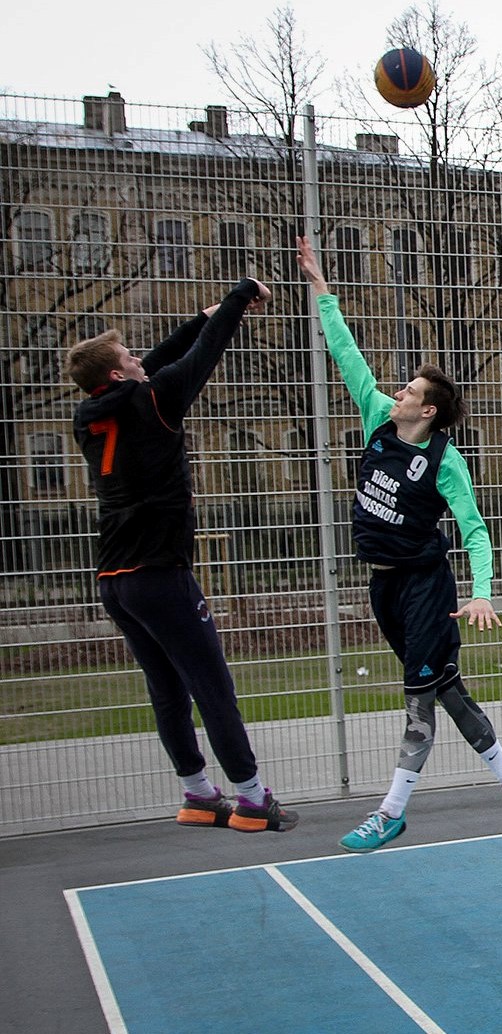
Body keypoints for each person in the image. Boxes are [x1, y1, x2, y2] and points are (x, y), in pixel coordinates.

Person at [297, 237, 502, 853]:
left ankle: (391, 811)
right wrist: (322, 289)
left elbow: (475, 528)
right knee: (445, 688)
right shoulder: (376, 417)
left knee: (417, 699)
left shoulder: (445, 461)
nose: (395, 390)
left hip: (426, 586)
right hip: (383, 583)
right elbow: (344, 351)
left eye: (408, 389)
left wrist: (482, 592)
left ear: (428, 410)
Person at [65, 279, 298, 834]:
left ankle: (197, 794)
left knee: (165, 689)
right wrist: (240, 299)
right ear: (119, 374)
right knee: (212, 687)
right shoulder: (155, 399)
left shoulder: (93, 412)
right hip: (160, 576)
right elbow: (199, 359)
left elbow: (159, 359)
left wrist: (203, 314)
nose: (139, 359)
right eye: (128, 356)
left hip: (116, 580)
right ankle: (251, 799)